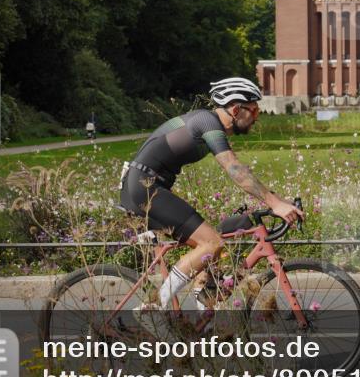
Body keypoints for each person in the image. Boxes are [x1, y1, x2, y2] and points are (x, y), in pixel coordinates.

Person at [120, 77, 303, 311]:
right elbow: (234, 169)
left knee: (209, 249)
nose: (257, 117)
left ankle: (203, 307)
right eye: (254, 110)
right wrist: (275, 203)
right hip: (145, 187)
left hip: (145, 186)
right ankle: (153, 308)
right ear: (236, 110)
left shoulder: (207, 123)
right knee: (212, 243)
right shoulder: (207, 123)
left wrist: (277, 200)